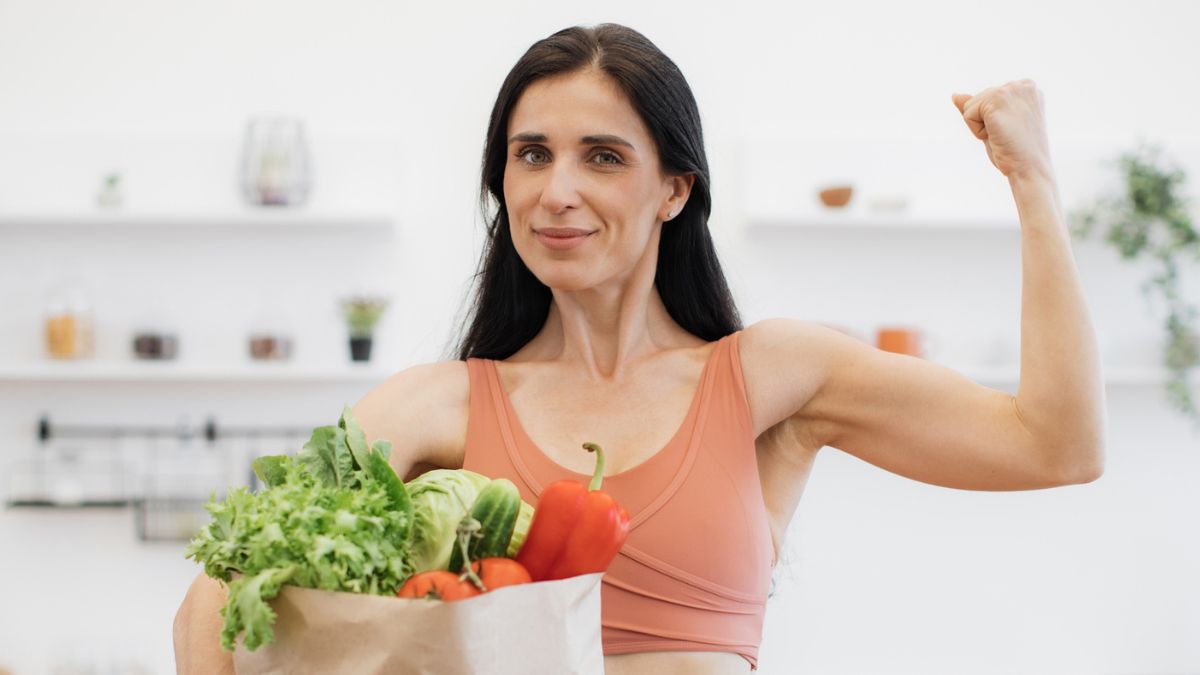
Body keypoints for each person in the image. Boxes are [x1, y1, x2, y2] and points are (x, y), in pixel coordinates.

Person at [174, 23, 1107, 675]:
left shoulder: (770, 377)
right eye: (530, 154)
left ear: (673, 189)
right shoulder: (434, 406)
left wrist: (1031, 179)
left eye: (603, 156)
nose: (556, 191)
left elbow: (1055, 446)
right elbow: (215, 603)